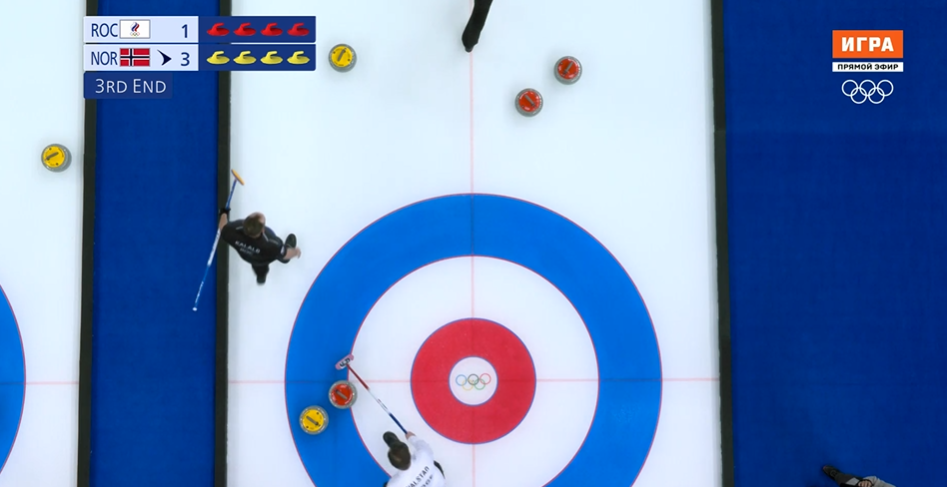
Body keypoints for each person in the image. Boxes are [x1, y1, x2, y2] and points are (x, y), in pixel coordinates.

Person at [218, 209, 300, 284]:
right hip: (265, 257)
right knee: (278, 253)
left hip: (250, 257)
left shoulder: (232, 231)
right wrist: (296, 252)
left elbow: (223, 228)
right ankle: (284, 258)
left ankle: (261, 277)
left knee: (258, 265)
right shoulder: (270, 243)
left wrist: (223, 213)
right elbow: (285, 254)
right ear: (262, 230)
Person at [821, 465, 896, 487]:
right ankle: (837, 475)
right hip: (856, 484)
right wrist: (868, 481)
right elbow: (876, 480)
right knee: (843, 479)